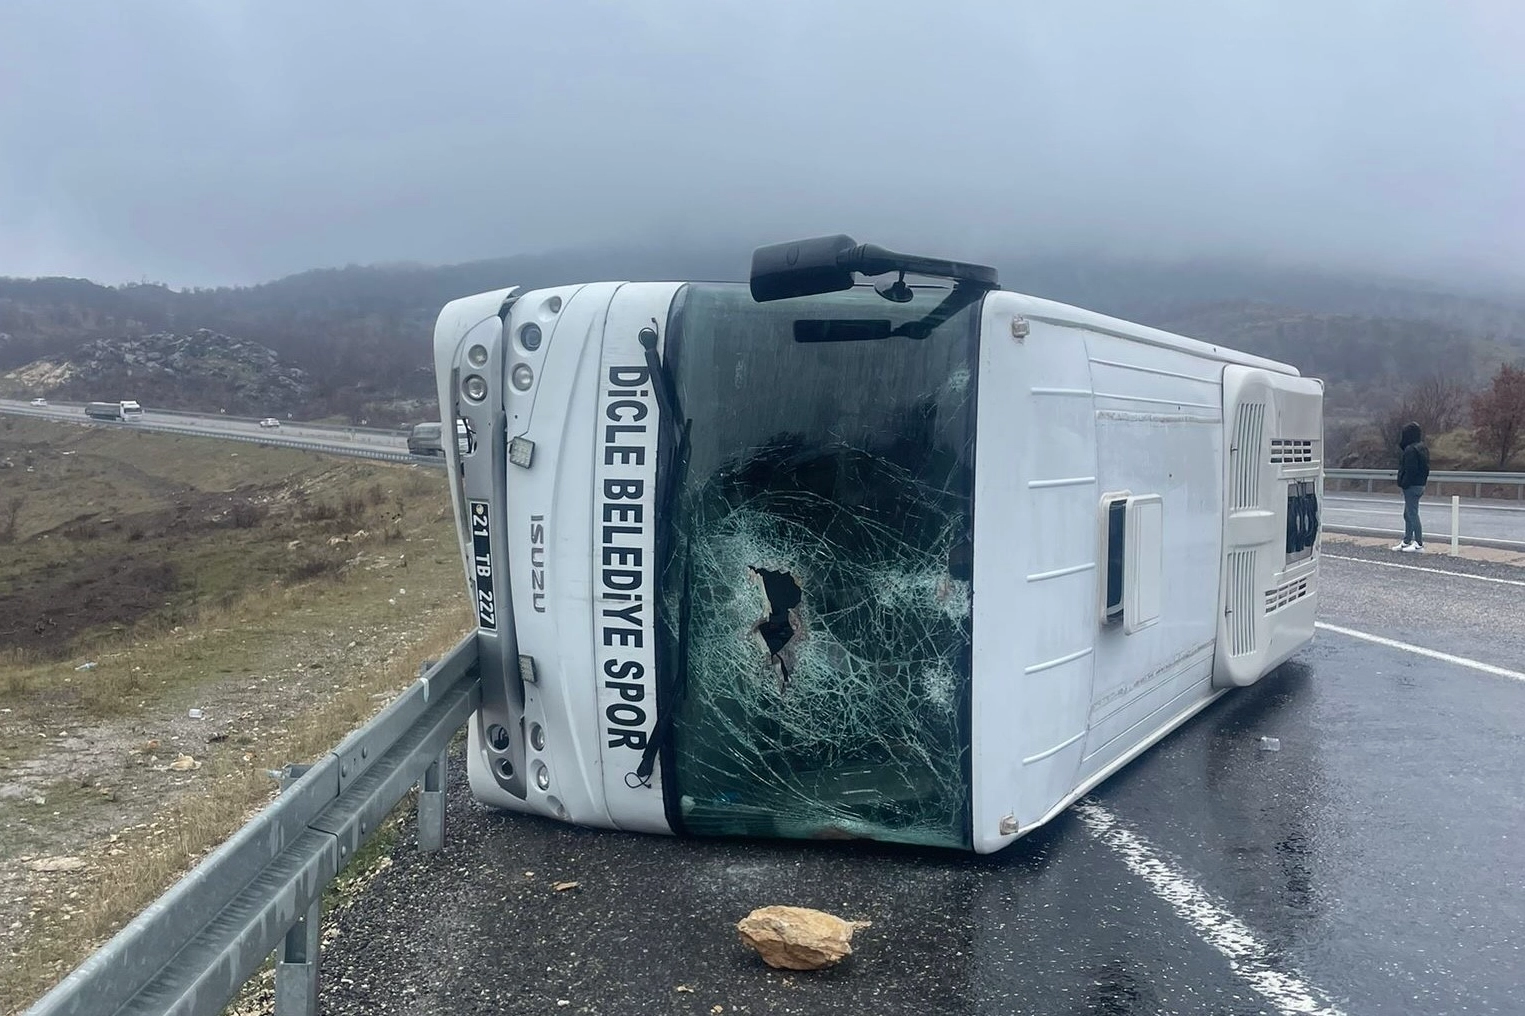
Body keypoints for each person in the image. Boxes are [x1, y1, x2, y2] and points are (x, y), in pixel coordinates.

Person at [1394, 421, 1430, 552]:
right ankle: (1406, 540)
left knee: (1412, 514)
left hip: (1411, 486)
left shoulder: (1410, 450)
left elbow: (1410, 470)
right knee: (1407, 513)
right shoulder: (1422, 448)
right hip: (1420, 484)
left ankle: (1418, 543)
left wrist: (1403, 482)